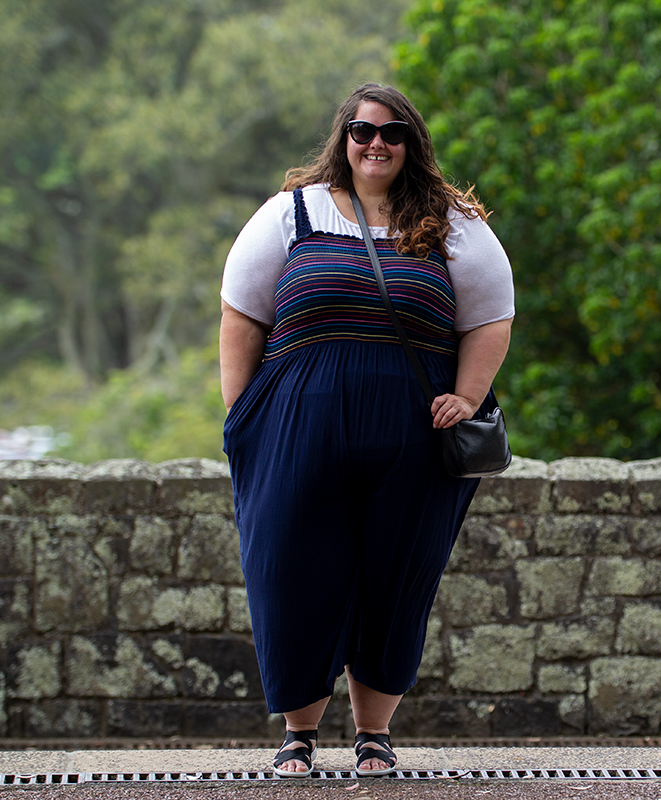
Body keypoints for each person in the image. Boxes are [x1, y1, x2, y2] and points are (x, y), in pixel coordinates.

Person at [219, 83, 514, 778]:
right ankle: (298, 734)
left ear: (411, 143)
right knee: (291, 569)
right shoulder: (290, 213)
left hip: (410, 436)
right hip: (296, 429)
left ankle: (374, 734)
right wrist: (245, 418)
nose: (375, 144)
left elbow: (490, 316)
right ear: (342, 140)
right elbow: (242, 316)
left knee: (395, 575)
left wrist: (467, 395)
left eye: (390, 133)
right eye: (361, 131)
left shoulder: (452, 220)